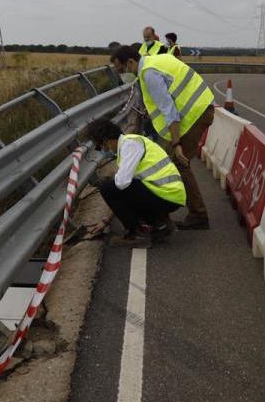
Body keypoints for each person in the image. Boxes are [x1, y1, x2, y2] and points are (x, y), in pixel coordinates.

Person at [110, 43, 214, 229]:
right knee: (174, 162)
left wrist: (176, 143)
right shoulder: (154, 61)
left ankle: (198, 215)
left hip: (193, 115)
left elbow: (169, 110)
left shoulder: (149, 74)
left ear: (131, 62)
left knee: (180, 163)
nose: (121, 74)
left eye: (121, 69)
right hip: (200, 108)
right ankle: (182, 213)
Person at [85, 117, 185, 248]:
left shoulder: (130, 145)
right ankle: (161, 223)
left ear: (105, 141)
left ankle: (136, 234)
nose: (103, 150)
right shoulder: (132, 143)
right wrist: (106, 220)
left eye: (99, 146)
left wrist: (110, 181)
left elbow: (121, 184)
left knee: (107, 187)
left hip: (167, 195)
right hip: (169, 193)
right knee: (121, 186)